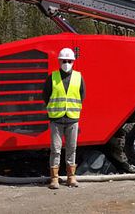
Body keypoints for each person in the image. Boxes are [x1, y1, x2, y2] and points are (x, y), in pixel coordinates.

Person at [43, 47, 85, 189]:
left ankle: (71, 177)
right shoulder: (52, 77)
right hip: (56, 119)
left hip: (72, 119)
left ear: (73, 62)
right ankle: (54, 179)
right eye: (63, 61)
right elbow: (46, 96)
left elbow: (82, 95)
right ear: (59, 61)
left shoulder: (78, 77)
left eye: (69, 61)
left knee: (72, 148)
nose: (66, 63)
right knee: (55, 149)